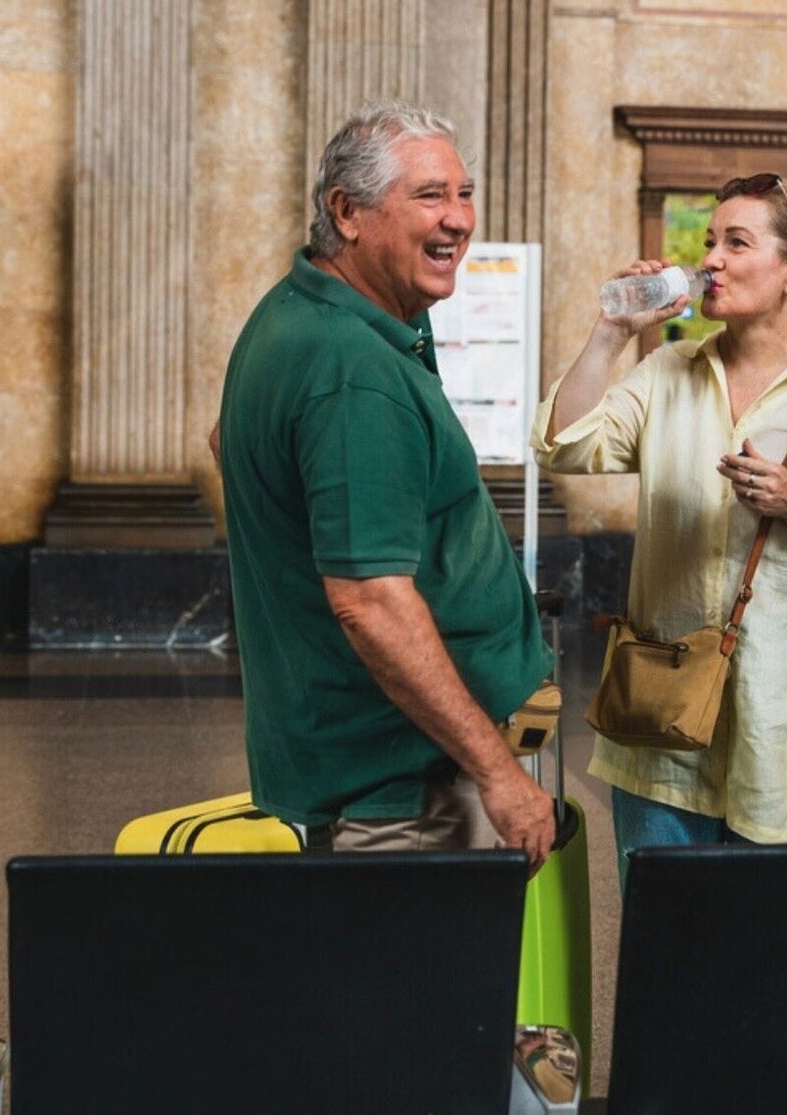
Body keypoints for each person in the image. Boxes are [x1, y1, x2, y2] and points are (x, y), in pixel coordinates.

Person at [533, 173, 787, 880]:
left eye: (737, 242)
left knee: (773, 961)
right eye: (710, 241)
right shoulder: (667, 373)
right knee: (666, 950)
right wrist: (612, 332)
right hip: (661, 731)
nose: (711, 258)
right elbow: (565, 443)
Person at [216, 101, 555, 870]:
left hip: (387, 766)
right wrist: (500, 775)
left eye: (464, 193)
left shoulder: (307, 311)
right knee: (421, 990)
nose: (460, 219)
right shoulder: (350, 370)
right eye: (430, 195)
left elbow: (228, 442)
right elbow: (370, 601)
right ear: (348, 212)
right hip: (403, 790)